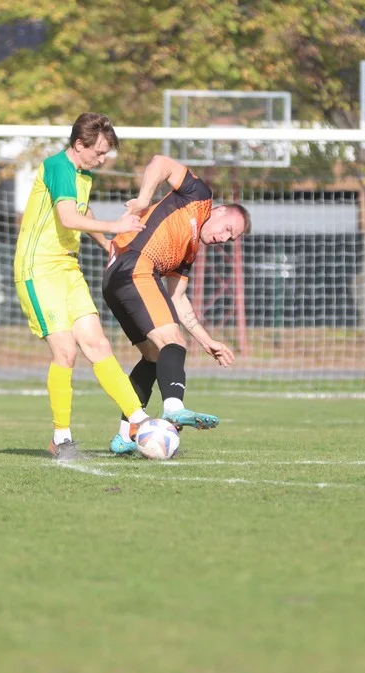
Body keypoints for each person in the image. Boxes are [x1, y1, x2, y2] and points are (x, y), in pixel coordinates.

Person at [12, 112, 151, 460]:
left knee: (98, 345)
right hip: (38, 269)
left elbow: (83, 217)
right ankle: (61, 438)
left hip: (67, 267)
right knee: (66, 353)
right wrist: (118, 226)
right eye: (99, 152)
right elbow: (68, 217)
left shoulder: (83, 176)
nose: (102, 159)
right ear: (79, 145)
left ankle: (139, 421)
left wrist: (110, 246)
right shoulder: (60, 167)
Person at [101, 154, 251, 454]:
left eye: (230, 239)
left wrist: (207, 341)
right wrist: (144, 199)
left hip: (116, 279)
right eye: (227, 230)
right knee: (173, 343)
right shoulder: (200, 197)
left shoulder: (187, 251)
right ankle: (173, 407)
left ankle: (125, 434)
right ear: (219, 211)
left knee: (154, 357)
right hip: (134, 266)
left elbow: (177, 299)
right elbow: (160, 161)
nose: (223, 238)